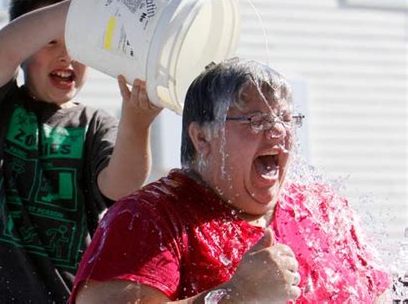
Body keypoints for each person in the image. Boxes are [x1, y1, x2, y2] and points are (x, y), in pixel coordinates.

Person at [70, 57, 391, 303]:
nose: (277, 131)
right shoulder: (148, 217)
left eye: (285, 118)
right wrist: (235, 295)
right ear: (202, 137)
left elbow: (380, 294)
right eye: (255, 119)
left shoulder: (322, 209)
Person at [0, 0, 161, 304]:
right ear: (24, 53)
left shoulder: (94, 123)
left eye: (78, 42)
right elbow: (3, 50)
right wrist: (93, 0)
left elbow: (122, 187)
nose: (66, 55)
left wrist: (138, 123)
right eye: (50, 42)